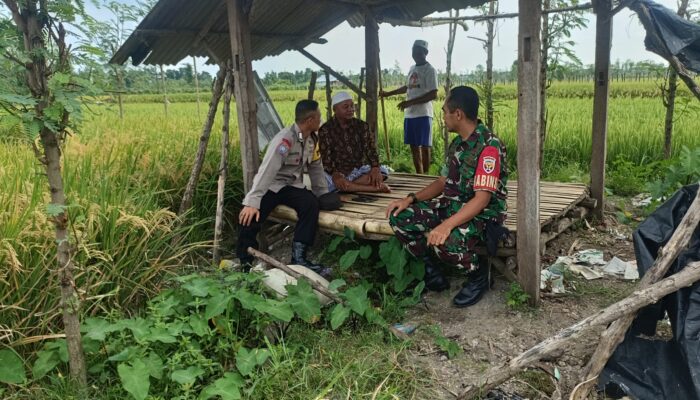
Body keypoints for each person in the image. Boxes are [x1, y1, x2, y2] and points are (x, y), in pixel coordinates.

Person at [385, 86, 508, 307]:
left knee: (444, 242)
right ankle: (433, 272)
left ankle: (479, 275)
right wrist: (410, 199)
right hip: (452, 206)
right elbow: (442, 182)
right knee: (399, 216)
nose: (443, 117)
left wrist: (445, 226)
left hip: (481, 216)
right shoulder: (457, 144)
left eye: (444, 112)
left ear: (458, 114)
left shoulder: (489, 147)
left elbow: (482, 200)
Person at [237, 99, 331, 278]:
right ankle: (245, 263)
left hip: (292, 185)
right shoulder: (285, 140)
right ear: (310, 120)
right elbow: (267, 170)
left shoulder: (312, 139)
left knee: (310, 204)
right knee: (249, 216)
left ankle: (299, 257)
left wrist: (323, 195)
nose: (321, 119)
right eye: (319, 116)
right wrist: (252, 201)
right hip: (272, 184)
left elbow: (316, 169)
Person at [379, 39, 438, 174]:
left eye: (418, 51)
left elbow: (433, 94)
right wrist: (388, 94)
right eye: (413, 51)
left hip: (423, 114)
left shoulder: (430, 70)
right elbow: (407, 87)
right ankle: (419, 174)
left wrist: (409, 102)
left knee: (424, 146)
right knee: (413, 146)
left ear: (425, 53)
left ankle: (426, 177)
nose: (415, 53)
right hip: (410, 114)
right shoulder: (412, 69)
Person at [318, 91, 390, 193]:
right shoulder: (325, 130)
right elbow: (326, 158)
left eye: (352, 106)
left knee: (383, 172)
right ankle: (373, 188)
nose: (351, 109)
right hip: (337, 172)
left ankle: (348, 187)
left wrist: (375, 167)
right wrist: (335, 174)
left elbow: (370, 148)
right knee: (328, 182)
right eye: (346, 107)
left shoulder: (362, 126)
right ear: (335, 109)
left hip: (358, 170)